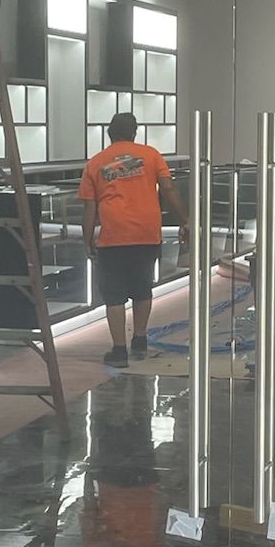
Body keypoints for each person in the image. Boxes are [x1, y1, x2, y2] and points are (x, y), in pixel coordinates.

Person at [77, 110, 189, 367]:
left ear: (109, 134)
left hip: (112, 235)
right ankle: (140, 339)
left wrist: (86, 240)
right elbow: (169, 189)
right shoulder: (151, 155)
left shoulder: (95, 163)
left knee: (114, 294)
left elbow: (89, 208)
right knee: (142, 287)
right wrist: (185, 220)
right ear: (134, 133)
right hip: (146, 232)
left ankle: (119, 351)